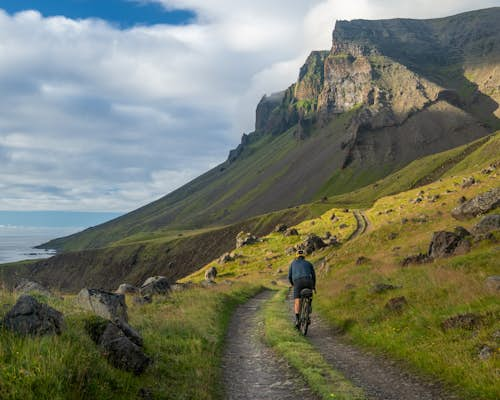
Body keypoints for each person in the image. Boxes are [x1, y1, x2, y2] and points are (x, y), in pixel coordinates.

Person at [288, 249, 316, 328]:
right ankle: (308, 310)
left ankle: (297, 320)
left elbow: (289, 276)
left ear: (296, 256)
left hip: (298, 282)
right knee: (309, 295)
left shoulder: (293, 263)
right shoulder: (309, 263)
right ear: (304, 256)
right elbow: (313, 276)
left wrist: (293, 284)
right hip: (308, 281)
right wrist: (313, 286)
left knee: (297, 300)